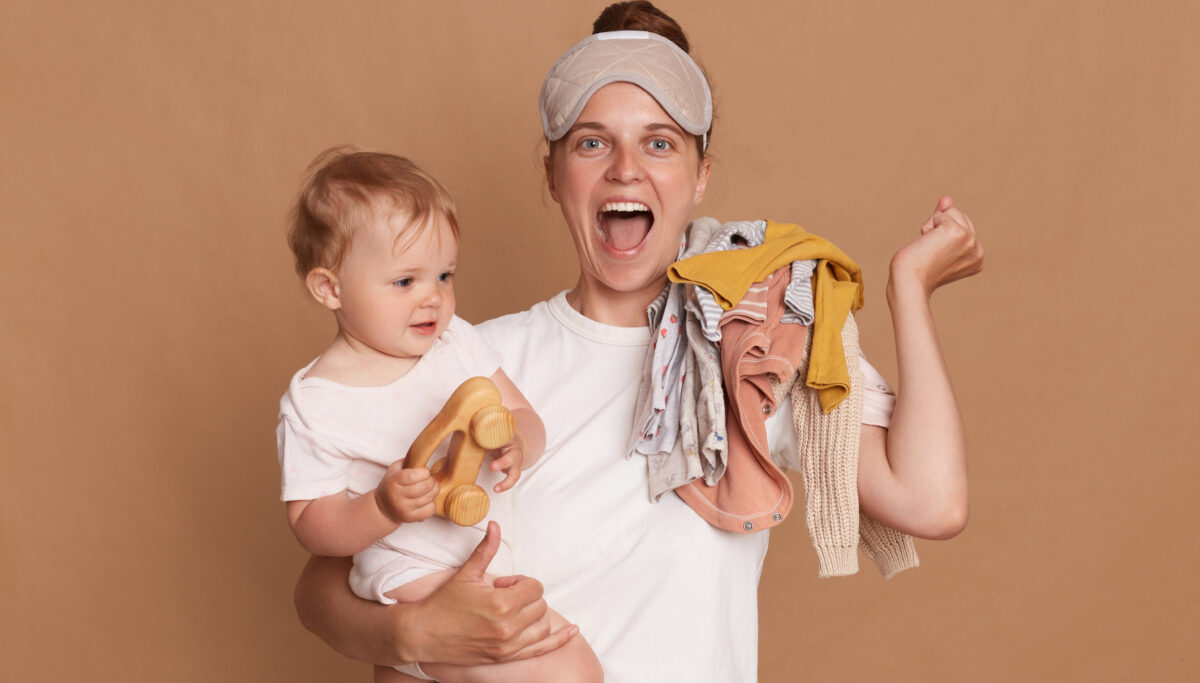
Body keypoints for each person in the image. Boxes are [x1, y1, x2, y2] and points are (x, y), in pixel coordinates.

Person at [293, 3, 984, 681]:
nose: (626, 168)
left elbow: (931, 501)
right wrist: (413, 630)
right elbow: (322, 582)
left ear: (701, 175)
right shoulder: (465, 357)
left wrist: (909, 291)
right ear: (553, 175)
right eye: (593, 142)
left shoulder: (751, 355)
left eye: (659, 142)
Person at [277, 147, 602, 682]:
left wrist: (518, 441)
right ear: (329, 288)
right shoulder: (316, 403)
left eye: (445, 276)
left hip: (484, 558)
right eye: (406, 282)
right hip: (405, 576)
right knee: (571, 673)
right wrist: (381, 508)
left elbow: (521, 413)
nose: (433, 298)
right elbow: (312, 525)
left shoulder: (456, 344)